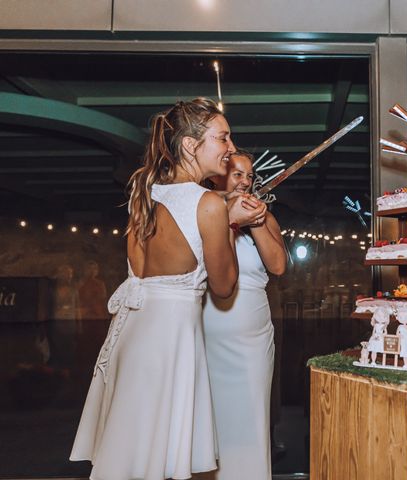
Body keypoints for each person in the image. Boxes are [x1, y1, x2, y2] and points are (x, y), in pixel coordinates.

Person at [70, 98, 265, 480]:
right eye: (222, 138)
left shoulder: (144, 193)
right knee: (162, 451)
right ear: (192, 145)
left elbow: (143, 268)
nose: (229, 148)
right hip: (171, 337)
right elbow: (224, 287)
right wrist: (229, 222)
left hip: (133, 330)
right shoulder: (208, 203)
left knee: (133, 447)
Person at [202, 149, 287, 480]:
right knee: (209, 419)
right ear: (217, 175)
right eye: (237, 174)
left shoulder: (263, 216)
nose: (245, 181)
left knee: (251, 419)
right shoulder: (202, 214)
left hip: (252, 336)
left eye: (250, 176)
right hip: (209, 329)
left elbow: (278, 266)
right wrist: (229, 217)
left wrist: (257, 220)